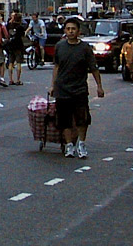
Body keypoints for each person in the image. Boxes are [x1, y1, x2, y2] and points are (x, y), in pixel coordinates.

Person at [50, 17, 104, 158]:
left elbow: (94, 68)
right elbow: (57, 66)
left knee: (82, 119)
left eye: (73, 29)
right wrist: (53, 85)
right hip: (62, 89)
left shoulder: (85, 48)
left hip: (79, 89)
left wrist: (99, 86)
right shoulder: (60, 46)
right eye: (68, 29)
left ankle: (81, 143)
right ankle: (69, 146)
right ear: (65, 31)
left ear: (78, 31)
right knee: (64, 120)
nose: (70, 31)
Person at [6, 13, 26, 85]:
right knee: (18, 62)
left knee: (10, 62)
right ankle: (18, 79)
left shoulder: (9, 25)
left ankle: (11, 79)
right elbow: (23, 35)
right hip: (18, 45)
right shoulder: (20, 27)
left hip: (11, 45)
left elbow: (7, 30)